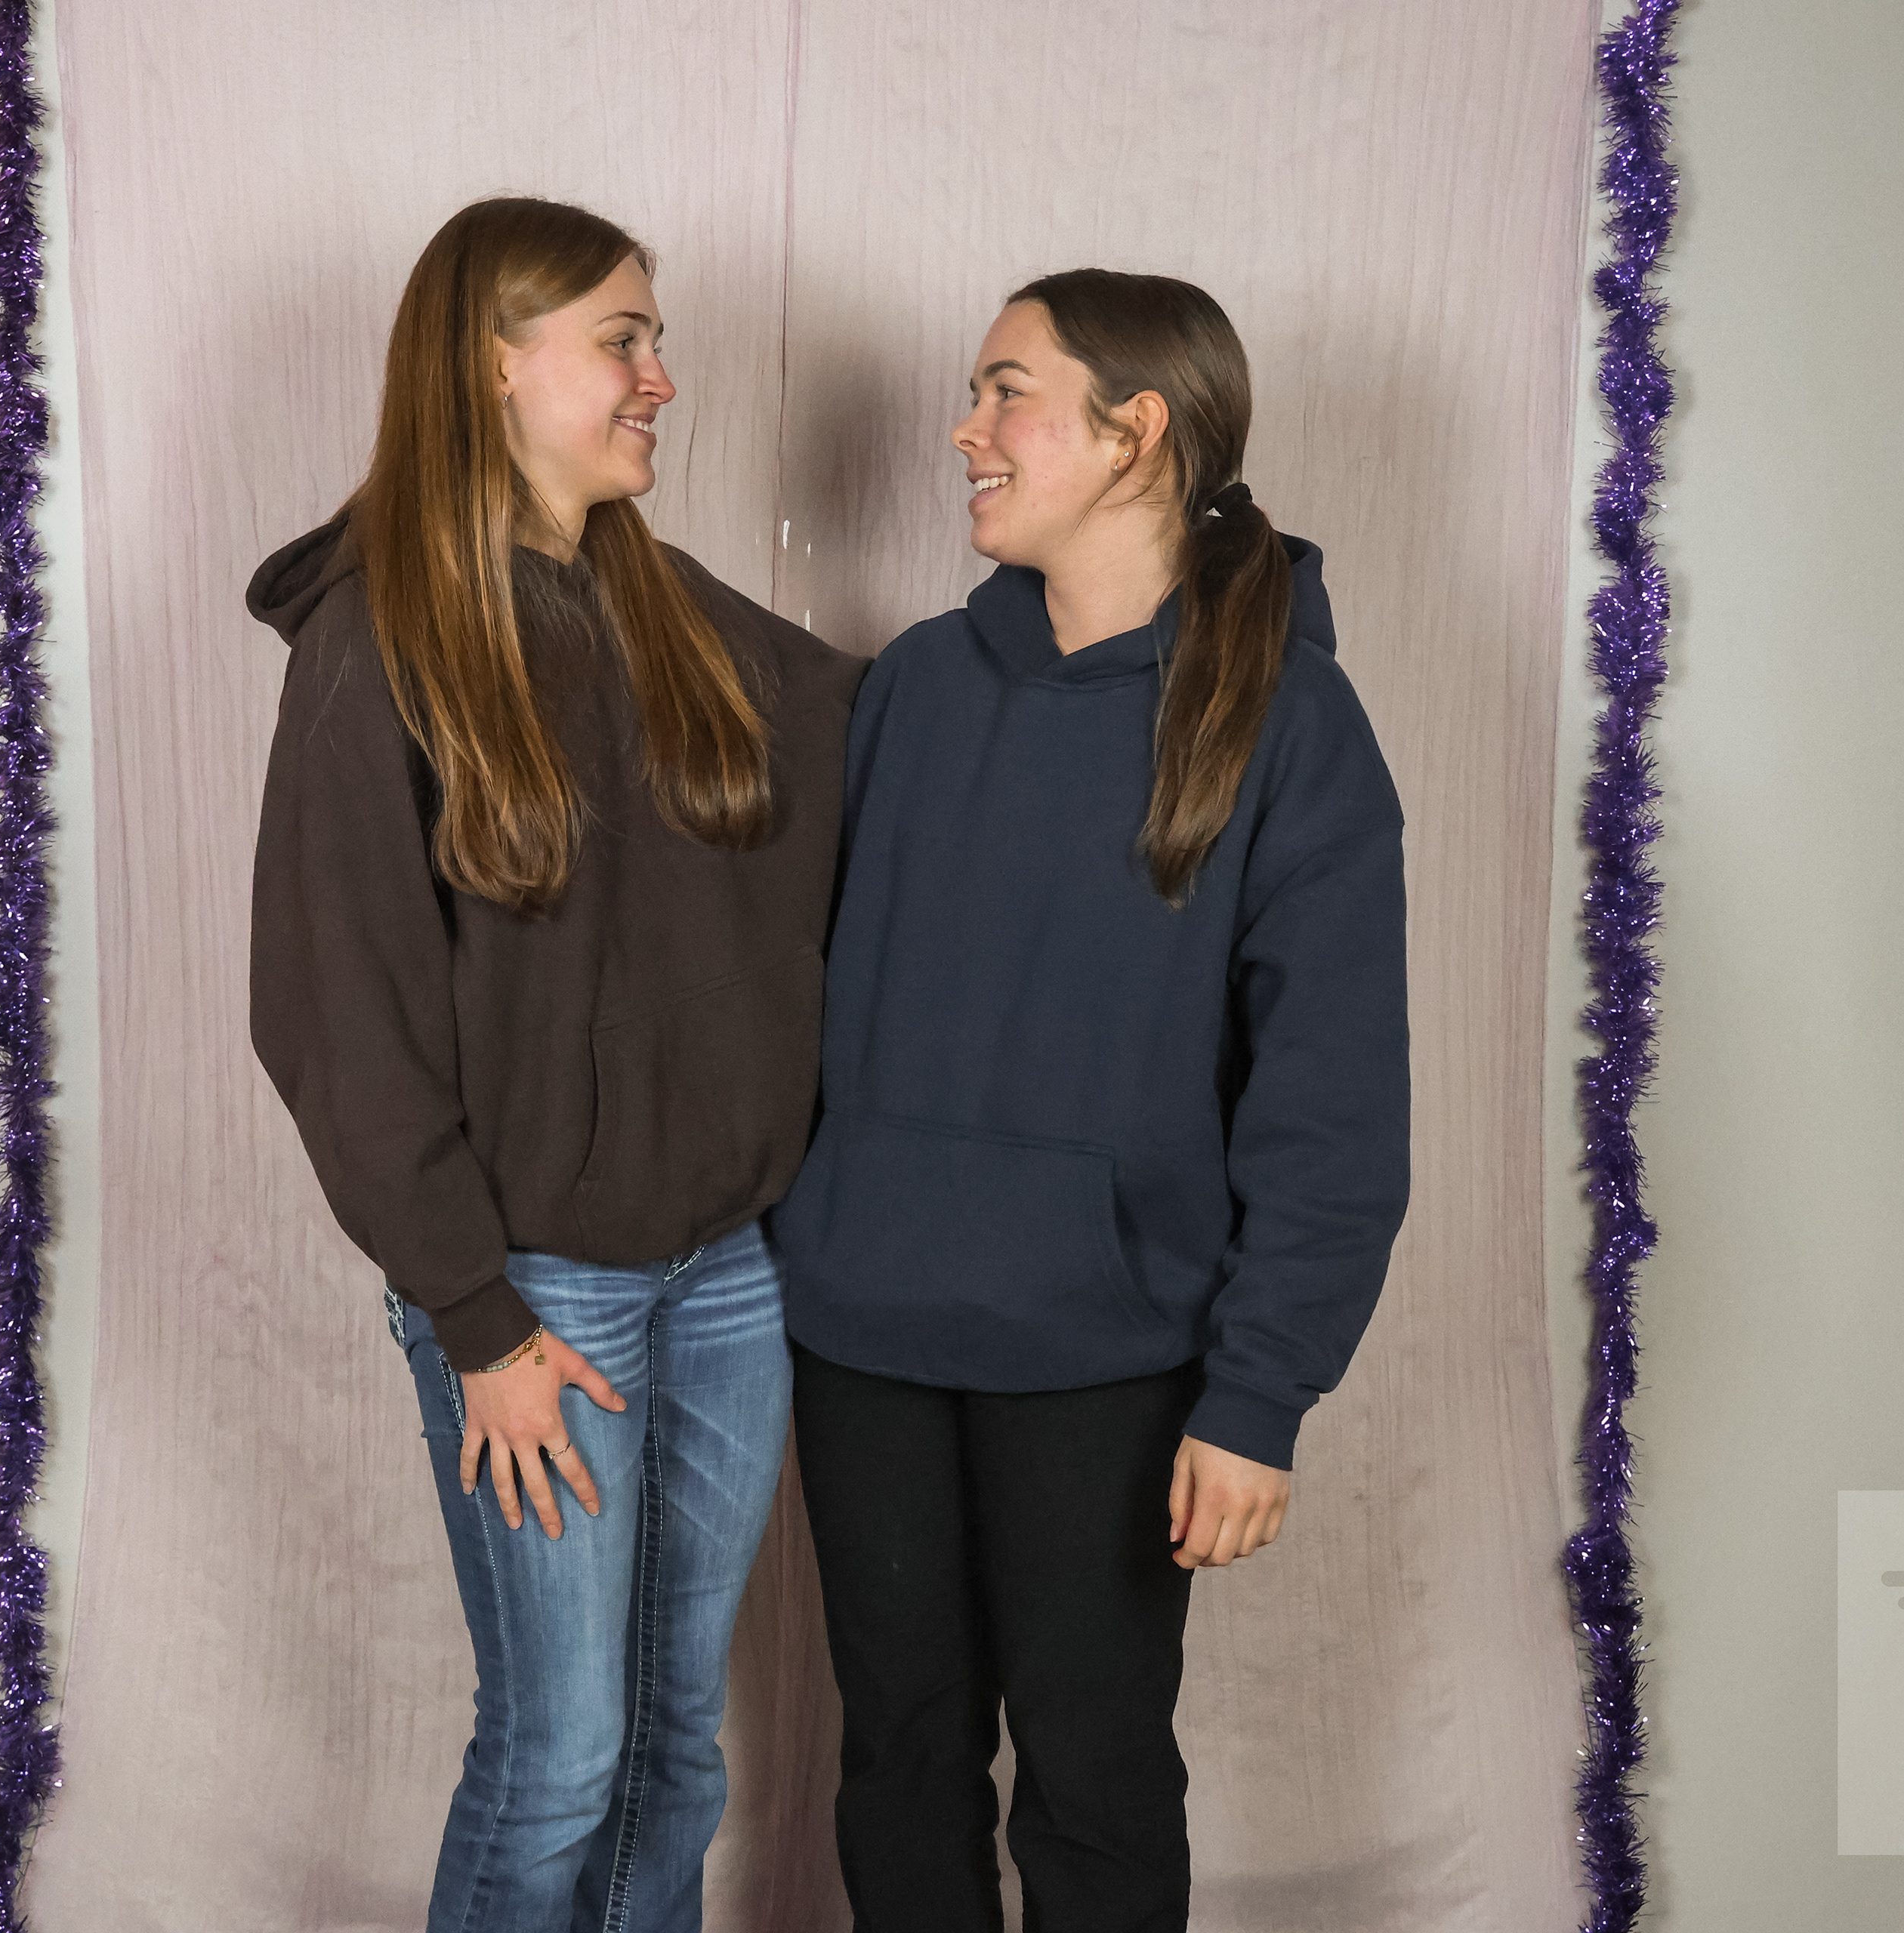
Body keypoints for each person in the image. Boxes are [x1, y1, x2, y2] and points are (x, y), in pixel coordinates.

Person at [245, 196, 863, 1933]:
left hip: (728, 1272)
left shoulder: (659, 603)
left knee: (677, 1750)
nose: (661, 377)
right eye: (623, 340)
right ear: (494, 366)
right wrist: (479, 1318)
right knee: (562, 1751)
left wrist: (1110, 621)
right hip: (537, 1296)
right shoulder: (379, 645)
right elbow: (335, 1012)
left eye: (657, 341)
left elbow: (881, 733)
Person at [769, 270, 1411, 1932]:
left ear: (1137, 433)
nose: (964, 430)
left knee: (1096, 1771)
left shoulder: (1287, 720)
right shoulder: (914, 685)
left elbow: (1333, 1105)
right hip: (865, 1330)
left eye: (1007, 391)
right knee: (898, 1759)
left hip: (1110, 1354)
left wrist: (1259, 1391)